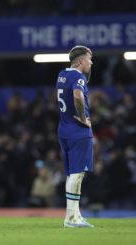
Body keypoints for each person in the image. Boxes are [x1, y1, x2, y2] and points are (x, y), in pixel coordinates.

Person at [56, 45, 94, 228]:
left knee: (73, 174)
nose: (91, 62)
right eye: (88, 59)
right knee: (77, 175)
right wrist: (82, 117)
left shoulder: (62, 74)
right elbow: (78, 96)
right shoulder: (78, 78)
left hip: (64, 129)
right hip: (78, 131)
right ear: (80, 61)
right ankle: (71, 218)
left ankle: (76, 215)